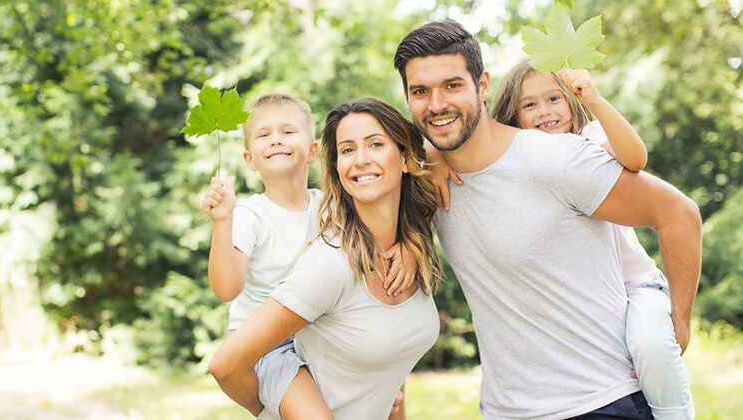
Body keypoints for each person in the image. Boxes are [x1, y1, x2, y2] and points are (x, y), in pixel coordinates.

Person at [394, 21, 702, 419]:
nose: (436, 104)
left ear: (482, 86)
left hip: (601, 403)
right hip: (505, 411)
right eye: (421, 91)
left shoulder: (554, 159)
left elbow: (678, 213)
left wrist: (679, 321)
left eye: (452, 86)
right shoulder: (427, 182)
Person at [208, 97, 442, 419]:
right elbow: (226, 295)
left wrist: (407, 243)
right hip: (267, 346)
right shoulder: (261, 221)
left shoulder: (327, 211)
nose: (361, 160)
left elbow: (437, 159)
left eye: (375, 144)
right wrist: (269, 411)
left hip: (301, 338)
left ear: (313, 152)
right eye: (347, 150)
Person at [489, 60, 694, 418]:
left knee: (651, 347)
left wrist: (595, 99)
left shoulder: (588, 139)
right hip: (587, 300)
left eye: (554, 98)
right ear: (513, 115)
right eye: (530, 105)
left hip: (634, 287)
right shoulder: (517, 164)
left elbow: (635, 157)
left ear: (572, 100)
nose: (545, 112)